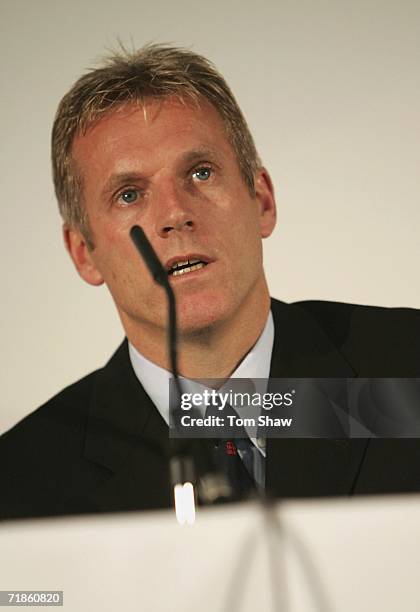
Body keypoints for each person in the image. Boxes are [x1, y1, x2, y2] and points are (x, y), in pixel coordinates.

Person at [1, 44, 419, 520]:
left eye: (201, 172)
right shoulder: (21, 485)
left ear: (260, 200)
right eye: (130, 194)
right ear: (83, 253)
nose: (176, 213)